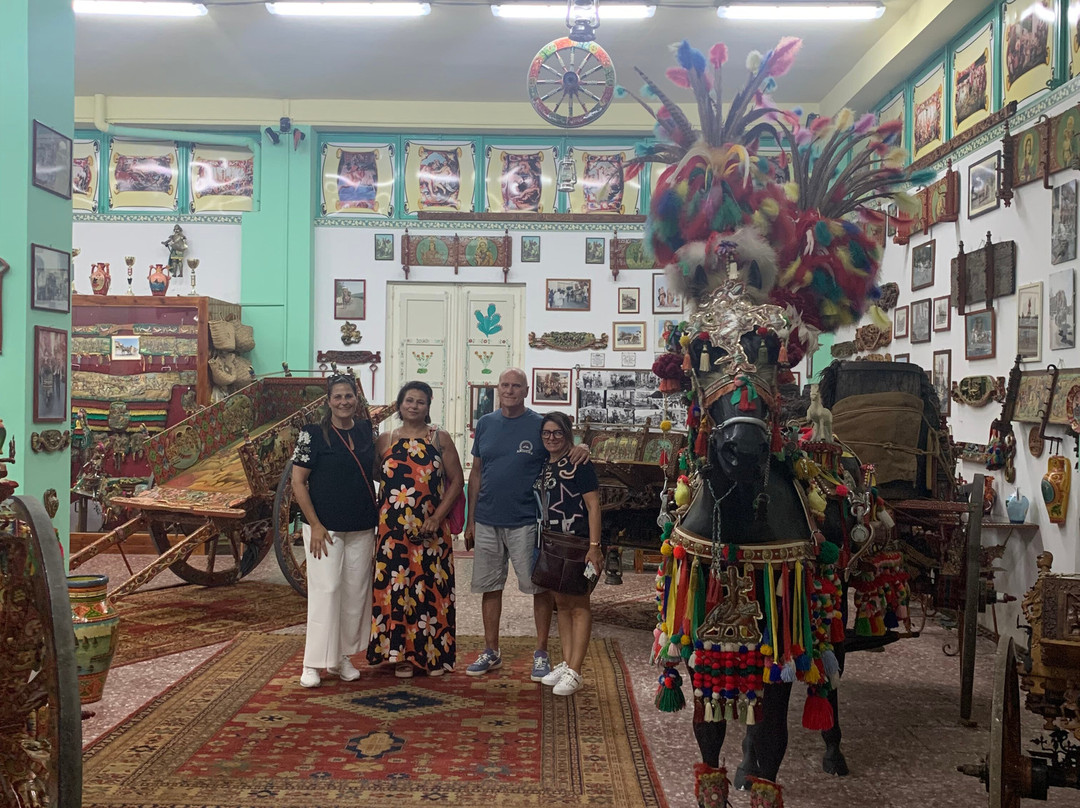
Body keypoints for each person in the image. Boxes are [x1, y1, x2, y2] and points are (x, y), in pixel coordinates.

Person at [463, 367, 590, 681]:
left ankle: (541, 652)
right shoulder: (486, 423)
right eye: (505, 385)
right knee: (489, 587)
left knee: (539, 587)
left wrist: (582, 447)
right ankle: (491, 651)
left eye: (516, 386)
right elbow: (476, 472)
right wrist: (470, 520)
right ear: (498, 388)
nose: (509, 390)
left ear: (526, 390)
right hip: (487, 519)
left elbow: (561, 448)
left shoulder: (538, 425)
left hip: (526, 521)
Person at [368, 381, 463, 678]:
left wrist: (437, 517)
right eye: (409, 400)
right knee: (397, 591)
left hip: (431, 530)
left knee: (431, 590)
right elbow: (376, 475)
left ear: (428, 406)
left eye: (420, 402)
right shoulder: (385, 440)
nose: (414, 406)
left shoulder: (439, 438)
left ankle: (434, 656)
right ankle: (401, 656)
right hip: (393, 532)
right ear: (399, 404)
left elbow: (457, 481)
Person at [290, 373, 379, 688]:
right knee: (326, 590)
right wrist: (314, 524)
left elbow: (377, 471)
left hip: (362, 525)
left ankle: (341, 657)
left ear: (357, 399)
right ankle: (312, 662)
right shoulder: (312, 434)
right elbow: (298, 481)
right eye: (338, 396)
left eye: (349, 396)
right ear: (328, 401)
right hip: (324, 528)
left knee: (354, 594)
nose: (344, 402)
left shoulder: (367, 430)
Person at [533, 412, 603, 696]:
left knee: (579, 603)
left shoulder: (579, 464)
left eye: (557, 433)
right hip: (552, 542)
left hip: (577, 541)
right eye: (546, 433)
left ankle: (576, 670)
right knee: (560, 603)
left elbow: (593, 506)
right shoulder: (545, 464)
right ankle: (566, 661)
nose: (551, 438)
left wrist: (594, 547)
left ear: (567, 434)